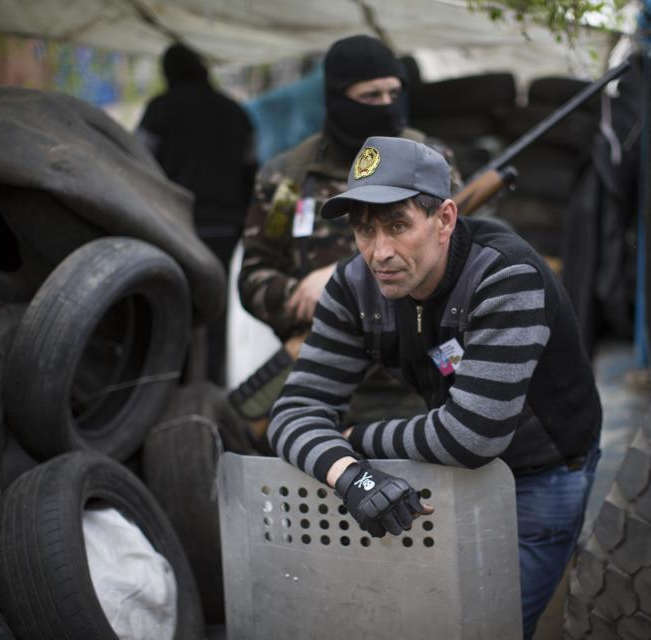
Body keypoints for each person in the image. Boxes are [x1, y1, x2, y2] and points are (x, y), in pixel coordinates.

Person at [267, 136, 602, 639]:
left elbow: (473, 436)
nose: (380, 253)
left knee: (489, 630)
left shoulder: (506, 275)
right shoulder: (353, 288)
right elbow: (293, 413)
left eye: (398, 226)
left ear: (444, 219)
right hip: (443, 472)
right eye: (364, 230)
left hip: (540, 476)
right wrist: (353, 477)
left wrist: (357, 439)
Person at [236, 34, 458, 426]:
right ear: (337, 98)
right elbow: (255, 274)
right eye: (370, 97)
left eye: (393, 94)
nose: (386, 107)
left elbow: (464, 258)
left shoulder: (429, 163)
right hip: (328, 376)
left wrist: (338, 280)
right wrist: (298, 297)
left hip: (423, 375)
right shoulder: (288, 180)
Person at [137, 42, 256, 385]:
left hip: (173, 228)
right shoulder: (235, 112)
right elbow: (251, 170)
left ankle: (169, 392)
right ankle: (209, 390)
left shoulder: (159, 110)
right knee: (215, 311)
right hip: (224, 228)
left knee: (172, 309)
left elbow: (137, 163)